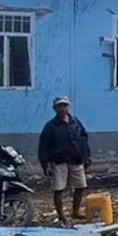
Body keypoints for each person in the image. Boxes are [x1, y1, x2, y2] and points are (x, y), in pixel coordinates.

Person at [38, 96, 91, 226]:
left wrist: (86, 157)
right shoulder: (50, 126)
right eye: (59, 106)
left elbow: (84, 138)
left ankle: (75, 211)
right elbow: (43, 146)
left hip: (76, 159)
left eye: (65, 105)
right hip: (59, 161)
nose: (63, 108)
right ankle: (62, 216)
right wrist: (45, 165)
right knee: (59, 189)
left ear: (68, 107)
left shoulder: (75, 122)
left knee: (81, 186)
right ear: (55, 109)